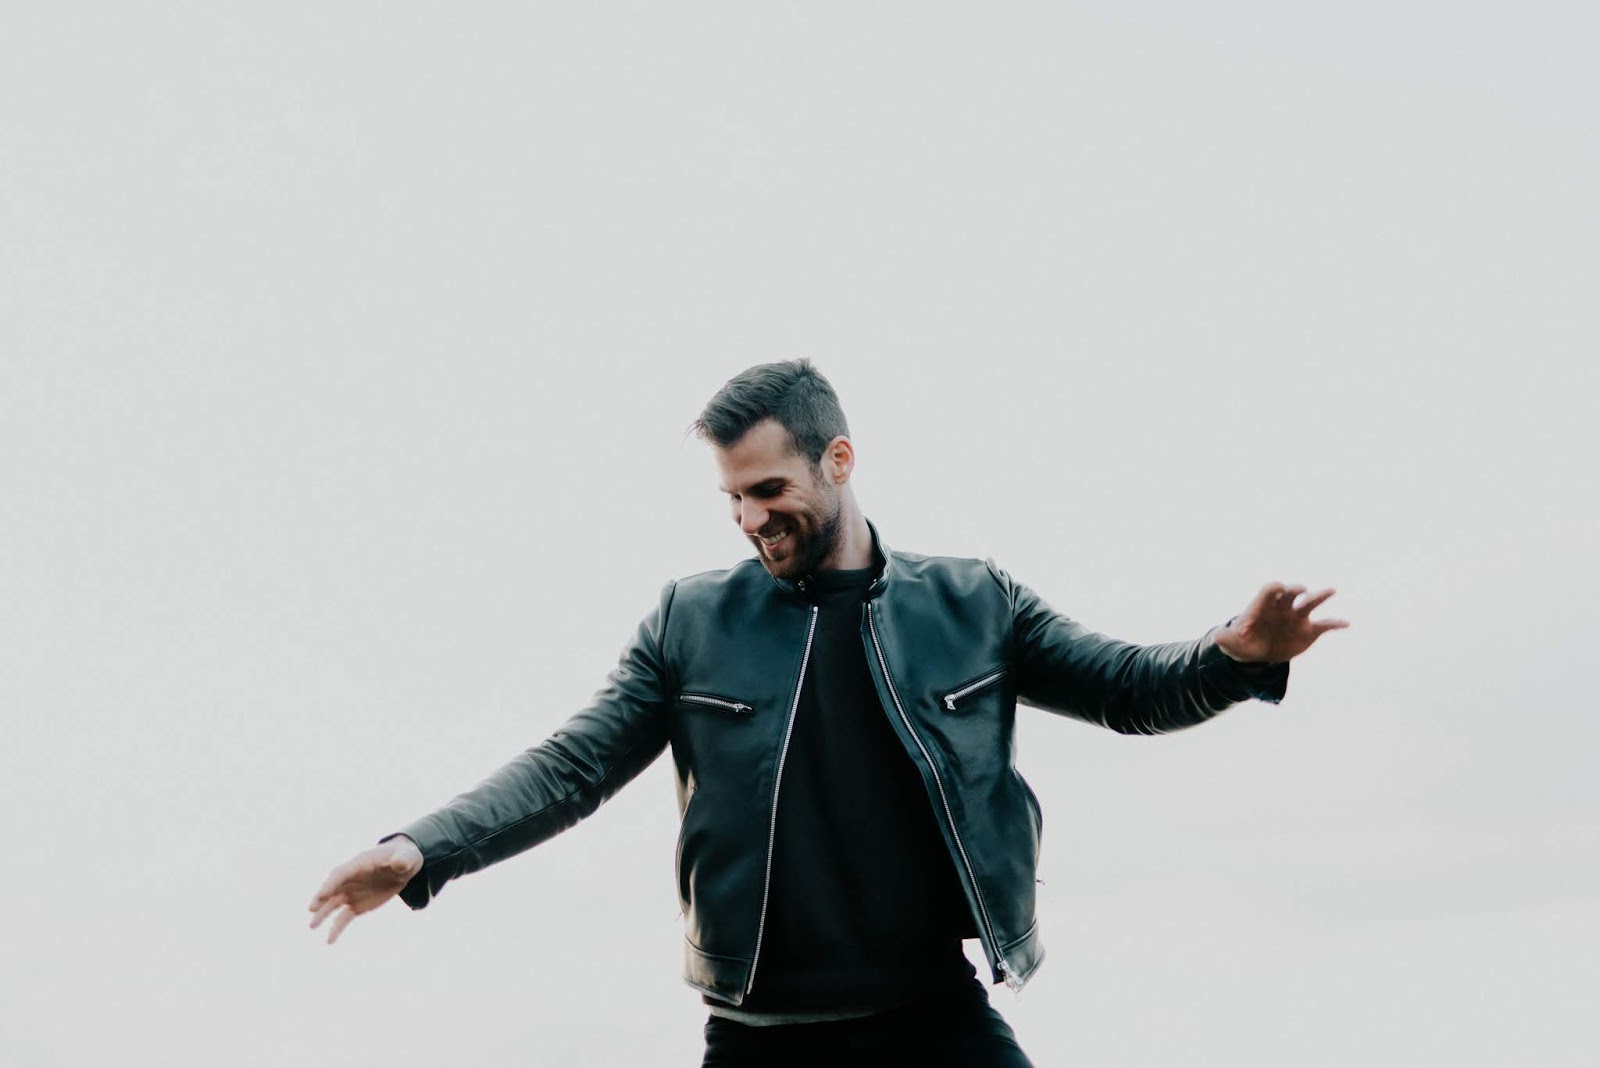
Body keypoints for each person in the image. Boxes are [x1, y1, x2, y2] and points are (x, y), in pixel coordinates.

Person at [308, 360, 1347, 1066]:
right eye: (731, 498)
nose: (749, 518)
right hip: (761, 1037)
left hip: (932, 1019)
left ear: (837, 461)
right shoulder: (689, 621)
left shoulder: (973, 602)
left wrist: (1233, 656)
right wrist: (421, 849)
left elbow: (1125, 689)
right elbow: (571, 767)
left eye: (768, 489)